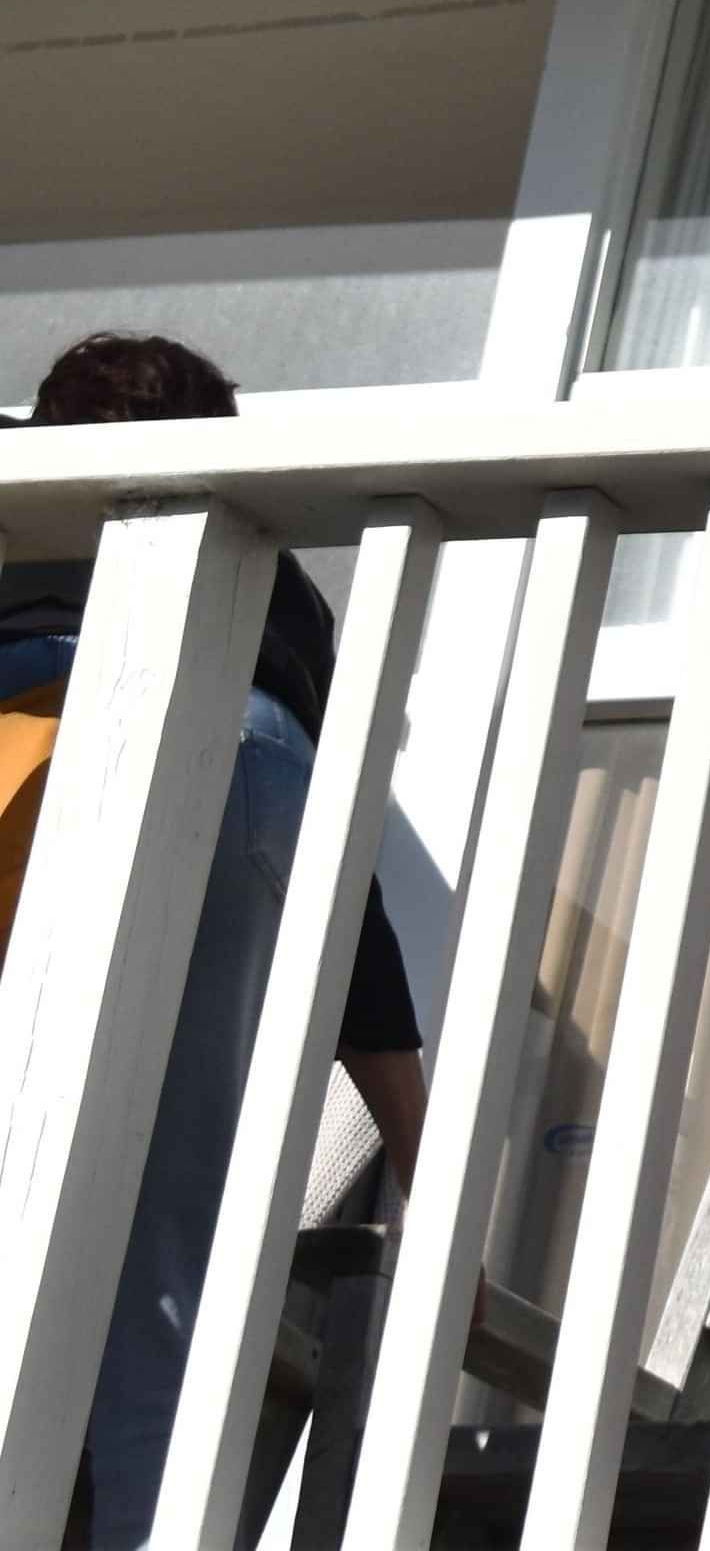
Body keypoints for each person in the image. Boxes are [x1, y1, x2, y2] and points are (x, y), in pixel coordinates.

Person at [0, 331, 433, 1545]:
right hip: (250, 762)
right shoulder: (274, 576)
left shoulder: (22, 506)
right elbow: (350, 906)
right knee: (172, 1282)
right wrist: (428, 1167)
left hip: (33, 735)